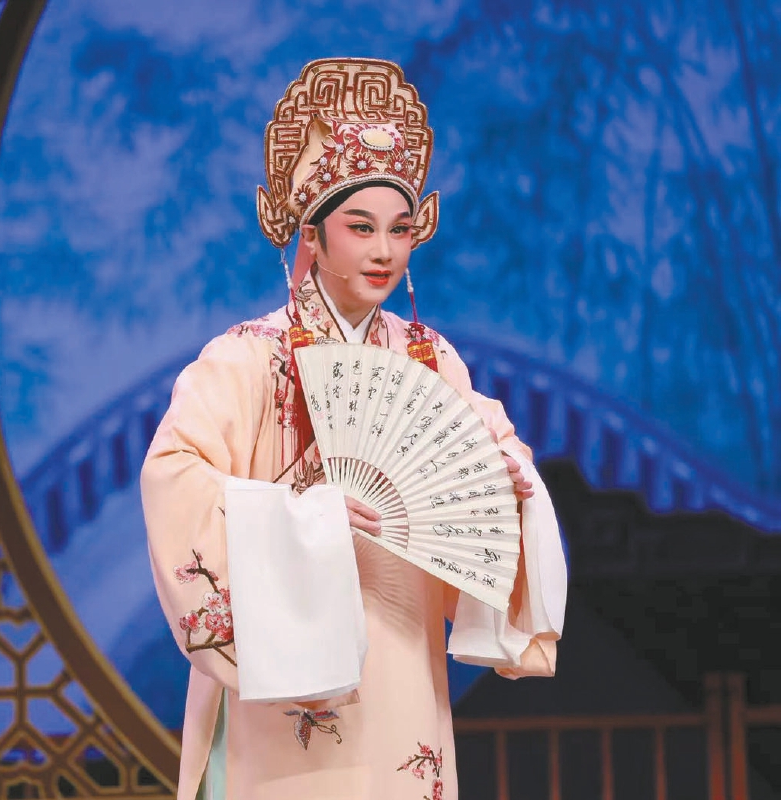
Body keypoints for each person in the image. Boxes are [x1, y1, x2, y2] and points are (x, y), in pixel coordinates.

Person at [141, 58, 567, 800]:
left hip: (401, 656)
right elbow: (173, 475)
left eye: (400, 230)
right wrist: (301, 521)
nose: (383, 251)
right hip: (282, 678)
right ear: (312, 234)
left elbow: (495, 458)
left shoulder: (430, 361)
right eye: (360, 227)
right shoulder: (247, 358)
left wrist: (507, 487)